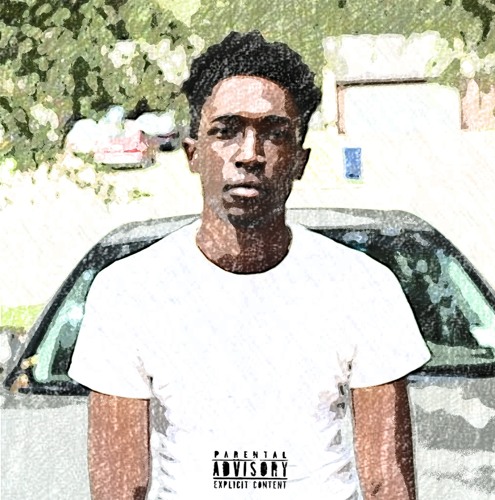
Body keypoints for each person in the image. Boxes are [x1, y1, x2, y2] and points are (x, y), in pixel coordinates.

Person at [69, 31, 431, 499]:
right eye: (226, 131)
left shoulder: (364, 286)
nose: (249, 154)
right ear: (193, 154)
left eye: (274, 133)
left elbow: (388, 482)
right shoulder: (128, 291)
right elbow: (120, 489)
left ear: (299, 161)